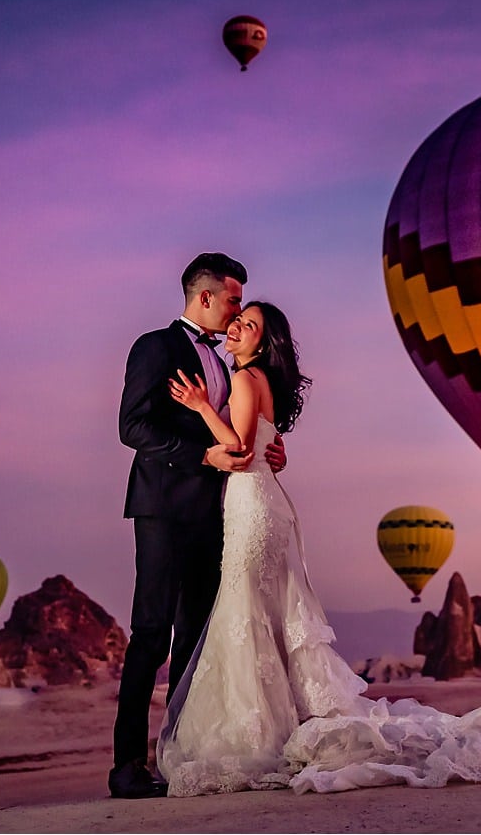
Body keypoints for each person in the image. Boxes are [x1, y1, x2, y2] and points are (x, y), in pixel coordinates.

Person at [156, 300, 481, 797]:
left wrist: (200, 408)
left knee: (247, 610)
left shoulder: (243, 380)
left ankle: (258, 730)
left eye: (249, 325)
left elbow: (239, 450)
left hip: (252, 506)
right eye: (237, 320)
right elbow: (263, 448)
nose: (236, 327)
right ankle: (281, 722)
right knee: (261, 611)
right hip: (265, 504)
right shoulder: (263, 383)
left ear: (263, 342)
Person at [112, 253, 286, 800]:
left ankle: (185, 755)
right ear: (205, 297)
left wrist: (266, 450)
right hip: (164, 508)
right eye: (233, 299)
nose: (237, 312)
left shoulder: (236, 365)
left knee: (198, 636)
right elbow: (132, 426)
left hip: (223, 513)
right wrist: (204, 457)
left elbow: (242, 427)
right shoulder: (154, 348)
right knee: (151, 633)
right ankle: (127, 767)